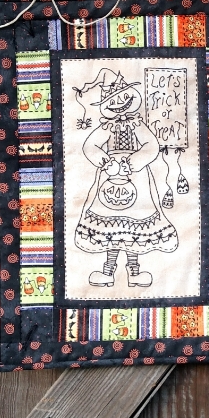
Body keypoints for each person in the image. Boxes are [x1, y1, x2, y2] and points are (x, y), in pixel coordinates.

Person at [74, 68, 178, 288]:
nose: (120, 103)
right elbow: (90, 146)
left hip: (137, 179)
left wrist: (134, 162)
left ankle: (134, 272)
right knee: (110, 226)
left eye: (123, 97)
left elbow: (151, 145)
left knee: (135, 226)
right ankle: (108, 272)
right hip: (110, 178)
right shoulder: (107, 126)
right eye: (113, 101)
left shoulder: (137, 124)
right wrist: (106, 162)